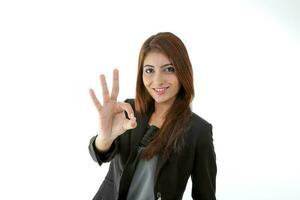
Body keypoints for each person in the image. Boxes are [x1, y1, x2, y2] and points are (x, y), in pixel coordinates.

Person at [88, 32, 217, 200]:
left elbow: (205, 195)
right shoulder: (129, 110)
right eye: (149, 70)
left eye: (169, 69)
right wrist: (106, 137)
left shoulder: (198, 130)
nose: (157, 80)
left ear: (183, 72)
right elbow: (99, 155)